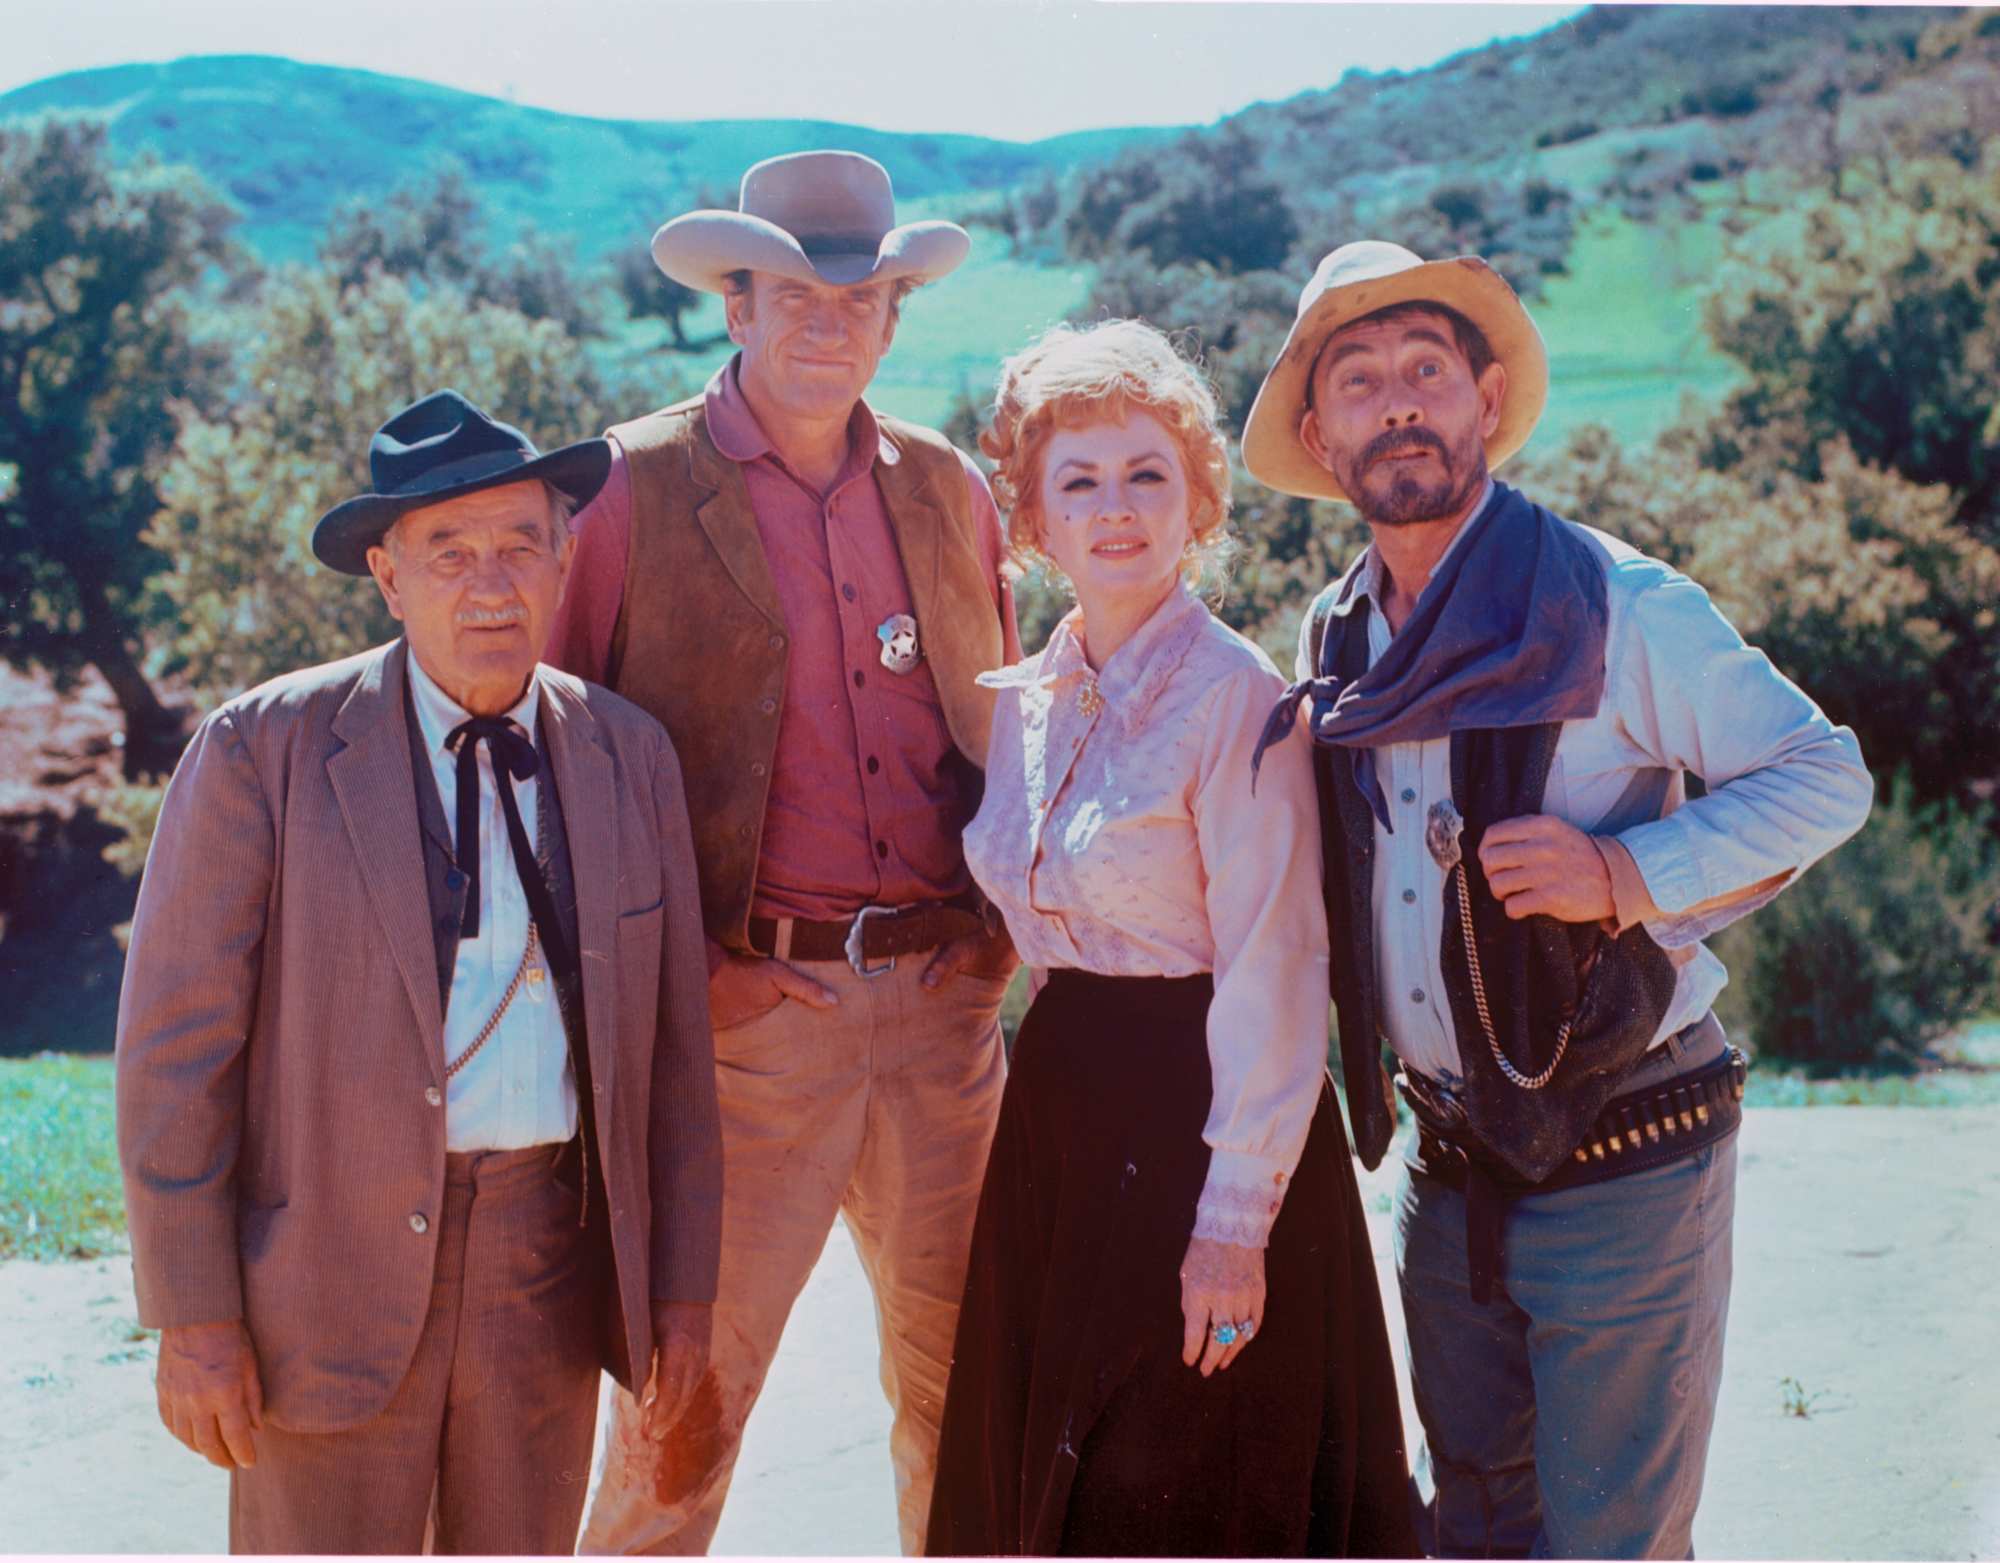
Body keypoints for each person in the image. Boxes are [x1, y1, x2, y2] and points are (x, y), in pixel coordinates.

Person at [1239, 241, 1875, 1558]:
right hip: (1451, 1168)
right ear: (1319, 433)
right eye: (1358, 380)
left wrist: (1626, 875)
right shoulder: (1338, 636)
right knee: (1469, 1531)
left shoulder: (1613, 601)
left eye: (1428, 368)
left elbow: (1826, 774)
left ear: (1482, 401)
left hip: (1631, 1150)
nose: (1398, 401)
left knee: (1612, 1544)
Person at [114, 391, 722, 1554]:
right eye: (448, 553)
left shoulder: (627, 756)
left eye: (517, 547)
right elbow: (175, 1053)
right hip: (318, 1287)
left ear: (563, 559)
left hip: (542, 1276)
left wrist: (680, 1299)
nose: (488, 585)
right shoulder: (263, 750)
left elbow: (676, 1062)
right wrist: (192, 1316)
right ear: (389, 581)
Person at [548, 150, 1021, 1555]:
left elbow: (1005, 720)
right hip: (745, 1023)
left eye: (861, 296)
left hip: (946, 1014)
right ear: (735, 309)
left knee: (968, 1394)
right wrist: (691, 972)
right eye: (794, 293)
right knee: (678, 1408)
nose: (831, 320)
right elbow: (556, 754)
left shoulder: (949, 490)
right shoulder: (626, 488)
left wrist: (997, 933)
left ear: (892, 319)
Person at [923, 320, 1415, 1557]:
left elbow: (1275, 967)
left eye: (1146, 474)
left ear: (1195, 497)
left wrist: (1231, 1226)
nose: (1115, 510)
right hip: (1060, 1130)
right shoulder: (1029, 700)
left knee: (1180, 1480)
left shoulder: (1234, 701)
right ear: (1031, 516)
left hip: (1203, 1134)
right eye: (1077, 481)